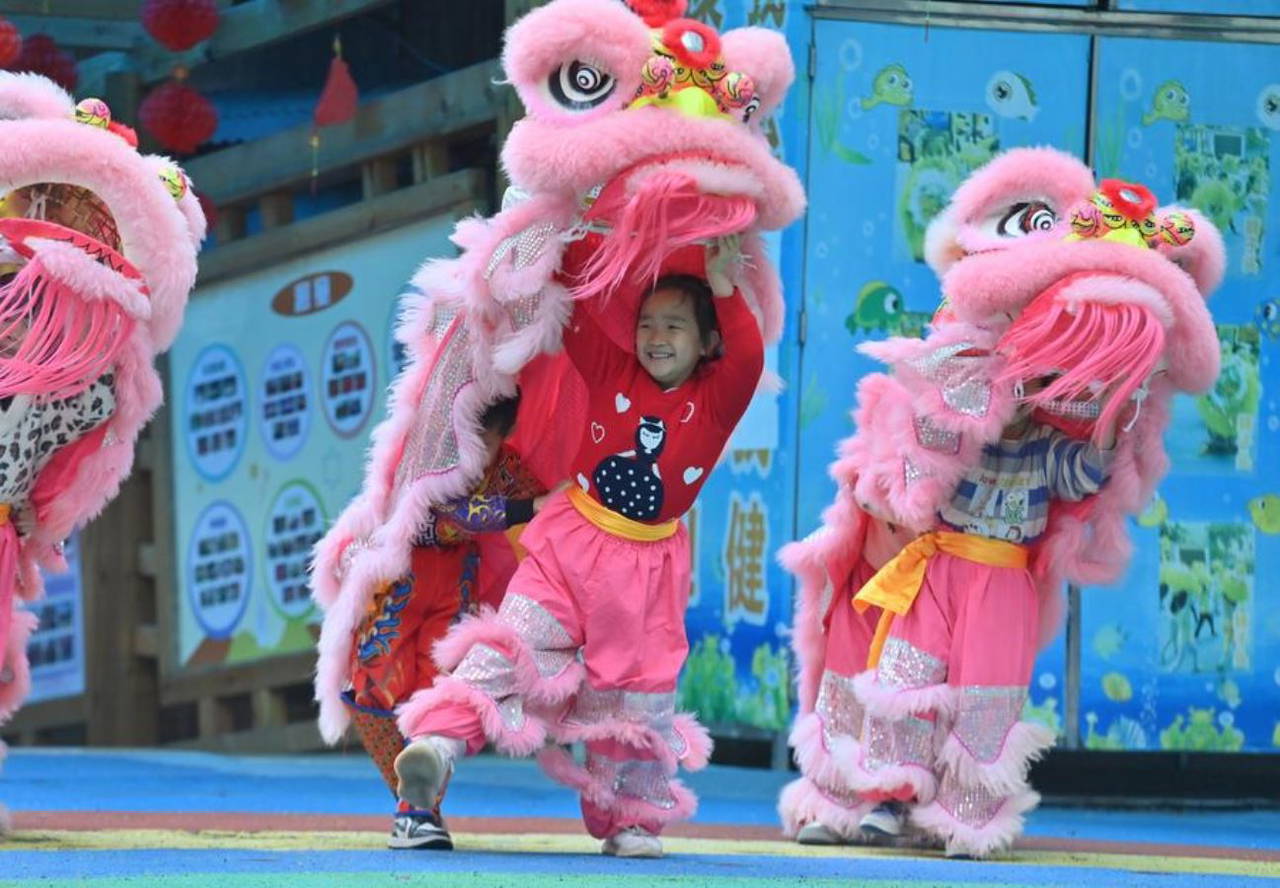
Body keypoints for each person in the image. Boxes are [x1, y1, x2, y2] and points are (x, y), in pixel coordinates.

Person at [391, 272, 764, 859]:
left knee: (634, 699)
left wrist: (724, 285)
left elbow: (749, 356)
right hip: (568, 547)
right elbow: (583, 307)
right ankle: (436, 750)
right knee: (510, 648)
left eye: (674, 326)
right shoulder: (613, 369)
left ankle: (630, 820)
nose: (656, 337)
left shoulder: (717, 400)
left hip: (646, 572)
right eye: (646, 324)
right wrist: (574, 233)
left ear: (708, 343)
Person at [839, 378, 1122, 858]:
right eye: (1007, 381)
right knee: (906, 673)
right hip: (940, 567)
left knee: (986, 697)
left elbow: (1089, 474)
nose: (1016, 393)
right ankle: (894, 797)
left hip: (1003, 582)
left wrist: (1113, 407)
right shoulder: (960, 434)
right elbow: (920, 458)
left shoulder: (1045, 446)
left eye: (1029, 383)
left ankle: (966, 816)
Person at [343, 393, 548, 850]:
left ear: (504, 437)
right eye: (462, 441)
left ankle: (416, 811)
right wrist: (529, 508)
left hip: (457, 586)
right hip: (393, 582)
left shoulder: (508, 469)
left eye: (484, 444)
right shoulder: (417, 452)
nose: (468, 457)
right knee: (373, 688)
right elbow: (444, 520)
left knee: (440, 696)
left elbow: (548, 505)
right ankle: (416, 805)